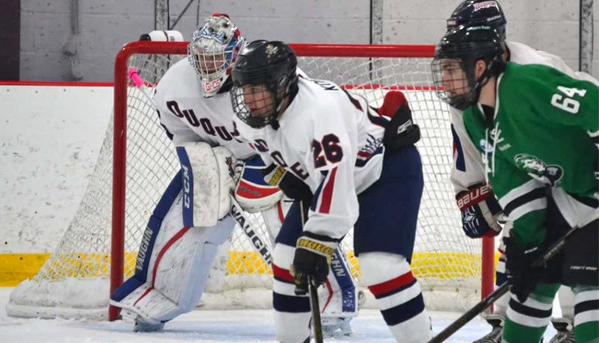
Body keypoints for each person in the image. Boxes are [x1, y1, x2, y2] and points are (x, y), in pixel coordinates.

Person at [108, 14, 358, 334]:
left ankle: (331, 299)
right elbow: (181, 134)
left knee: (291, 221)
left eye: (216, 58)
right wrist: (207, 163)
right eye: (202, 58)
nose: (208, 66)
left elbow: (297, 123)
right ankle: (159, 292)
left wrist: (269, 170)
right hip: (216, 157)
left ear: (234, 56)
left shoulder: (263, 78)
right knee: (186, 215)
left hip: (273, 157)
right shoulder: (174, 85)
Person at [230, 39, 432, 343]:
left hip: (385, 169)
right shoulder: (254, 115)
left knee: (380, 266)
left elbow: (336, 187)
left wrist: (317, 241)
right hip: (332, 178)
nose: (249, 99)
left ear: (282, 85)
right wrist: (284, 174)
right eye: (245, 89)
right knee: (286, 258)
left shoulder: (319, 112)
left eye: (257, 89)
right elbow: (269, 151)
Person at [432, 24, 598, 343]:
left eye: (451, 69)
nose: (444, 79)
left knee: (590, 280)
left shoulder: (526, 84)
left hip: (590, 193)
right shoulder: (474, 118)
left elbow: (594, 102)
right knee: (530, 279)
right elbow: (512, 182)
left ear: (478, 67)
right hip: (570, 196)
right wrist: (528, 240)